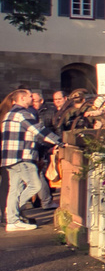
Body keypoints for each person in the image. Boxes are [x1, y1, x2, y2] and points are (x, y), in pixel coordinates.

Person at [2, 89, 61, 231]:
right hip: (22, 156)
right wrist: (60, 142)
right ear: (22, 98)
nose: (32, 99)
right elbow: (39, 130)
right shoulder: (22, 114)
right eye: (29, 97)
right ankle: (12, 215)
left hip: (10, 157)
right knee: (36, 185)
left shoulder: (9, 114)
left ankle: (12, 219)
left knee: (15, 189)